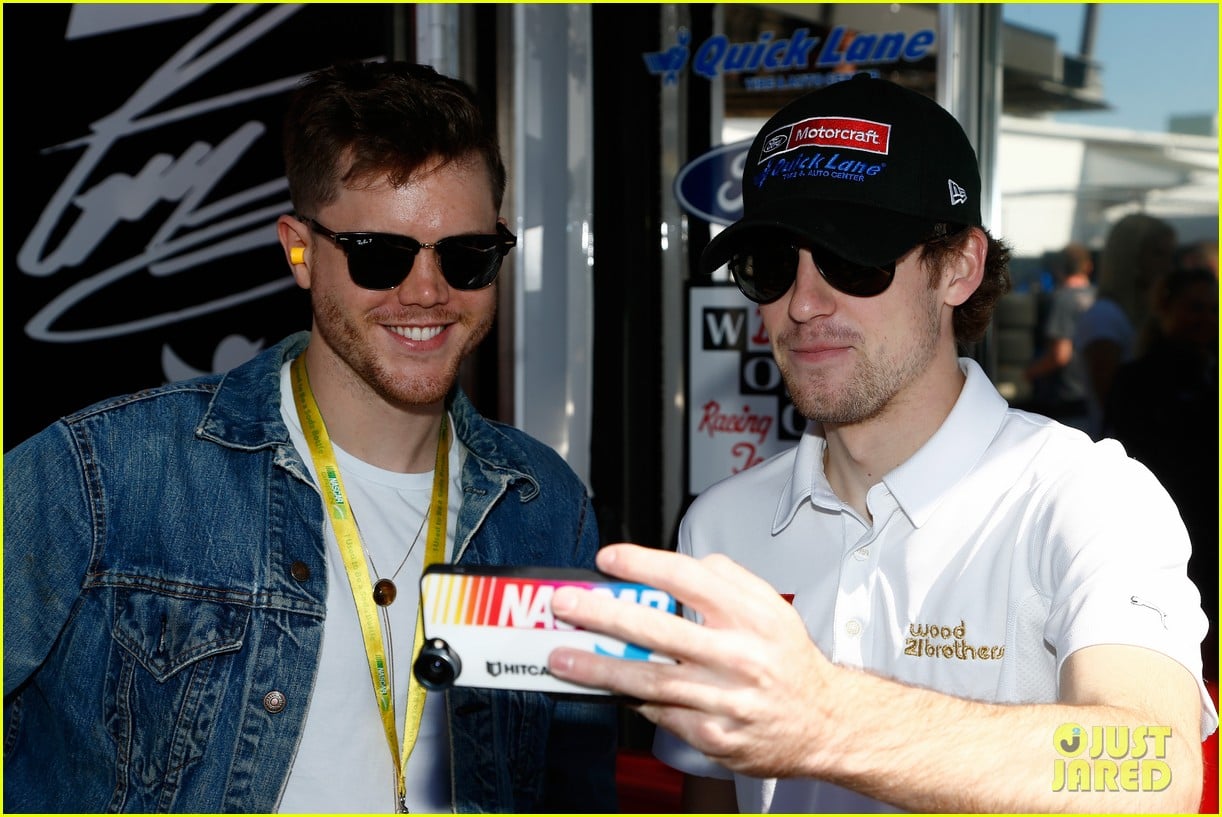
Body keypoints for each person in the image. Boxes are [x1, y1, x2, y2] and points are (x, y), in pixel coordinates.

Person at [543, 74, 1217, 812]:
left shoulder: (1085, 497)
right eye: (771, 265)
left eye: (854, 259)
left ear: (958, 265)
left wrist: (823, 718)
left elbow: (1156, 769)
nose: (801, 304)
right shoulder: (722, 524)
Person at [3, 60, 617, 813]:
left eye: (466, 255)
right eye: (380, 255)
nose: (426, 291)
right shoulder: (110, 474)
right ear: (300, 248)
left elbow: (574, 792)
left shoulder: (546, 505)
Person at [1106, 266, 1219, 679]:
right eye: (1194, 308)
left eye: (1212, 309)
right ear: (1165, 309)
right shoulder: (1138, 378)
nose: (1205, 319)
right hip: (1165, 539)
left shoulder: (1212, 372)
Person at [1072, 212, 1177, 439]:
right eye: (1159, 253)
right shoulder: (1105, 317)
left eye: (1170, 255)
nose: (1169, 265)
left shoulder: (1144, 314)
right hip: (1125, 448)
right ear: (1131, 256)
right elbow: (1112, 401)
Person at [1022, 242, 1096, 429]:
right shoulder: (1100, 298)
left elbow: (1060, 355)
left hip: (1069, 404)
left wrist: (1027, 374)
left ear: (1058, 268)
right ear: (1088, 266)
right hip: (1095, 400)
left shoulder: (1063, 299)